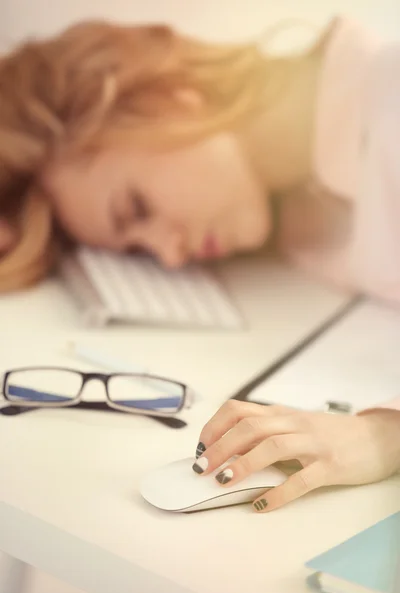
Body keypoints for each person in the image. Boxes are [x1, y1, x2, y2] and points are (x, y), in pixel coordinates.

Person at [0, 15, 399, 509]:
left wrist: (386, 435)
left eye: (137, 209)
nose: (169, 256)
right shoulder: (292, 208)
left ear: (163, 101)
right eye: (139, 251)